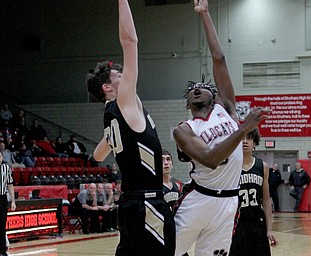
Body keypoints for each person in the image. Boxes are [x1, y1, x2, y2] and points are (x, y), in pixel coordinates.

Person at [172, 1, 270, 255]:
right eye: (191, 89)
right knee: (164, 250)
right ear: (188, 103)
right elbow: (210, 159)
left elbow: (219, 58)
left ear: (213, 94)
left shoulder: (225, 107)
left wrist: (205, 14)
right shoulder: (183, 129)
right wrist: (244, 127)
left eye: (201, 86)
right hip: (198, 199)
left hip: (228, 202)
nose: (196, 88)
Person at [86, 1, 175, 255]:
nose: (122, 73)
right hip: (147, 204)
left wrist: (112, 140)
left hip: (129, 206)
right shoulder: (124, 101)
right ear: (107, 87)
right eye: (116, 73)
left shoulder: (112, 117)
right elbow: (130, 42)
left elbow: (98, 156)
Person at [229, 128, 278, 256]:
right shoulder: (229, 167)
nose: (245, 142)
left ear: (255, 143)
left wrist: (269, 230)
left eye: (249, 138)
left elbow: (266, 200)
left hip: (257, 222)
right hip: (236, 224)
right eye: (241, 138)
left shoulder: (263, 166)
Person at [0, 151, 16, 256]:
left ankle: (2, 250)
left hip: (2, 198)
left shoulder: (6, 168)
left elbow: (10, 185)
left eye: (0, 156)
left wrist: (13, 201)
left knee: (2, 225)